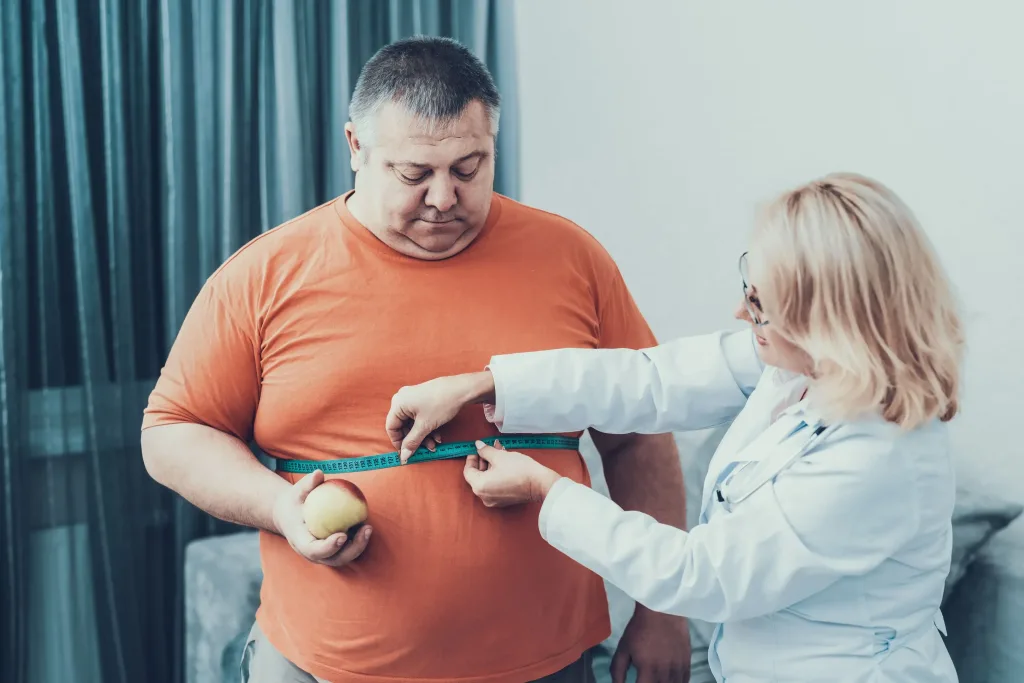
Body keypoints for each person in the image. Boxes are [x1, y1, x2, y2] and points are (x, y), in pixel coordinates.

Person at [141, 37, 691, 683]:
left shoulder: (571, 258)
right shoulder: (264, 275)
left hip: (548, 663)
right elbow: (173, 431)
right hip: (322, 665)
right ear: (355, 148)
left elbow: (639, 435)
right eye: (413, 174)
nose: (442, 198)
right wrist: (277, 506)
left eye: (469, 167)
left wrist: (663, 610)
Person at [386, 173, 964, 683]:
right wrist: (484, 386)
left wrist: (547, 493)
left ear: (827, 320)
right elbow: (649, 380)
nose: (742, 314)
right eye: (748, 285)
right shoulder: (804, 368)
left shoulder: (875, 456)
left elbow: (703, 575)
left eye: (762, 304)